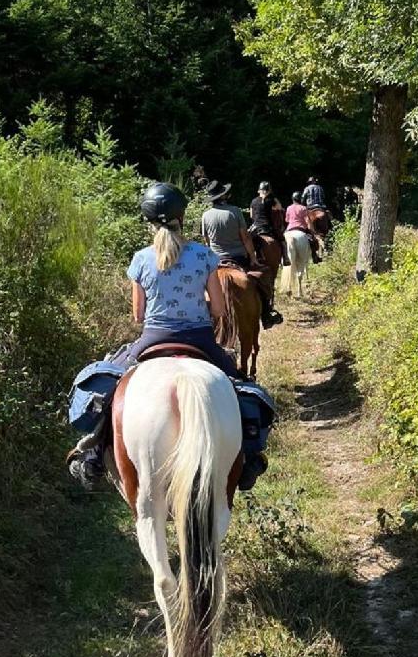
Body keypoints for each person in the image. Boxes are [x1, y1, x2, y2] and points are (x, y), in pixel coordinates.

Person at [68, 182, 244, 488]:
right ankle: (251, 452)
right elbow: (218, 310)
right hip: (200, 339)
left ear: (148, 220)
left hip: (153, 338)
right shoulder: (204, 256)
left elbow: (138, 315)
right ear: (182, 216)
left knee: (109, 384)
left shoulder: (140, 259)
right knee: (241, 386)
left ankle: (93, 453)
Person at [201, 180, 282, 329]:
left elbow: (206, 241)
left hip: (215, 260)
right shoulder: (235, 211)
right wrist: (253, 258)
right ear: (225, 196)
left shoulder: (205, 215)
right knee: (262, 279)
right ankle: (266, 314)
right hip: (238, 258)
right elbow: (245, 237)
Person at [286, 190, 321, 263]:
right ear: (301, 199)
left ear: (293, 199)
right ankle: (315, 256)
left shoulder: (288, 208)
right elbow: (308, 221)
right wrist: (312, 231)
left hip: (289, 230)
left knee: (282, 241)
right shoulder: (303, 208)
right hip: (301, 229)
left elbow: (287, 220)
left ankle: (283, 258)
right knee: (313, 240)